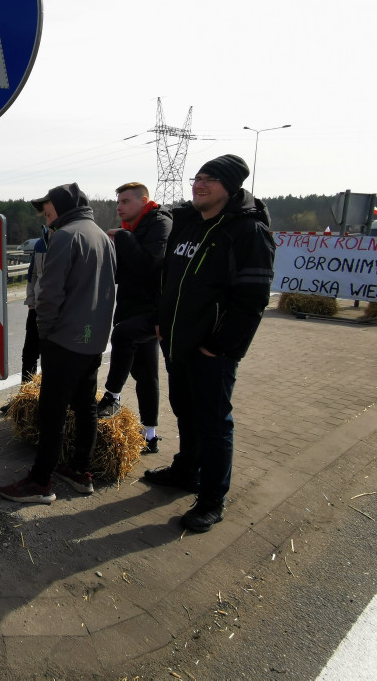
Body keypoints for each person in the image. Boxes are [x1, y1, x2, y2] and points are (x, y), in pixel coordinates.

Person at [144, 155, 275, 533]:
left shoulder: (248, 233)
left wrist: (221, 346)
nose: (199, 185)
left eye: (210, 180)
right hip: (176, 341)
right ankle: (187, 471)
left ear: (230, 188)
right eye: (197, 178)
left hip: (211, 351)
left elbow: (252, 301)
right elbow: (168, 280)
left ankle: (212, 500)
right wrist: (159, 320)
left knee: (215, 423)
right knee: (185, 410)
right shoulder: (187, 223)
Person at [0, 184, 116, 504]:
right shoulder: (103, 237)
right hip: (92, 338)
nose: (45, 214)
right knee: (86, 406)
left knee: (52, 412)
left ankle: (40, 482)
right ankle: (80, 470)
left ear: (63, 206)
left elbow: (49, 294)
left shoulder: (65, 236)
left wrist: (45, 332)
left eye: (48, 208)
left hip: (64, 339)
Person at [96, 182, 172, 454]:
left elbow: (149, 264)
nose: (119, 207)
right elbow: (124, 273)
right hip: (133, 306)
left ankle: (112, 395)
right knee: (147, 374)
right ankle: (150, 435)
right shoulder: (132, 229)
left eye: (126, 201)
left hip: (152, 309)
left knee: (123, 335)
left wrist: (124, 240)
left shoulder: (159, 223)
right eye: (118, 201)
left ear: (143, 200)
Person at [0, 224, 49, 415]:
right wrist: (31, 301)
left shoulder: (68, 239)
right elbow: (32, 274)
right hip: (36, 309)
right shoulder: (40, 243)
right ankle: (25, 399)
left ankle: (45, 401)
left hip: (58, 313)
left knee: (50, 358)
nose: (46, 218)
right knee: (29, 354)